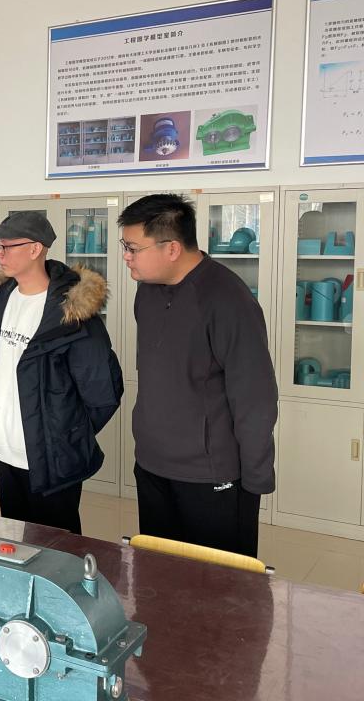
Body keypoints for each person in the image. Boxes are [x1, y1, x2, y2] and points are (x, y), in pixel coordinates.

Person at [118, 193, 276, 557]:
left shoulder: (227, 299)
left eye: (133, 248)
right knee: (159, 572)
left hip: (212, 475)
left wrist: (254, 480)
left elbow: (254, 397)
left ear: (172, 248)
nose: (126, 256)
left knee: (219, 583)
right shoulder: (147, 292)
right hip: (153, 466)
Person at [0, 212, 122, 533]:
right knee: (14, 541)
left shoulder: (72, 311)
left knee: (57, 546)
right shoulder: (0, 300)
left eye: (6, 246)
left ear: (35, 249)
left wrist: (64, 434)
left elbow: (102, 391)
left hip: (52, 457)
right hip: (5, 452)